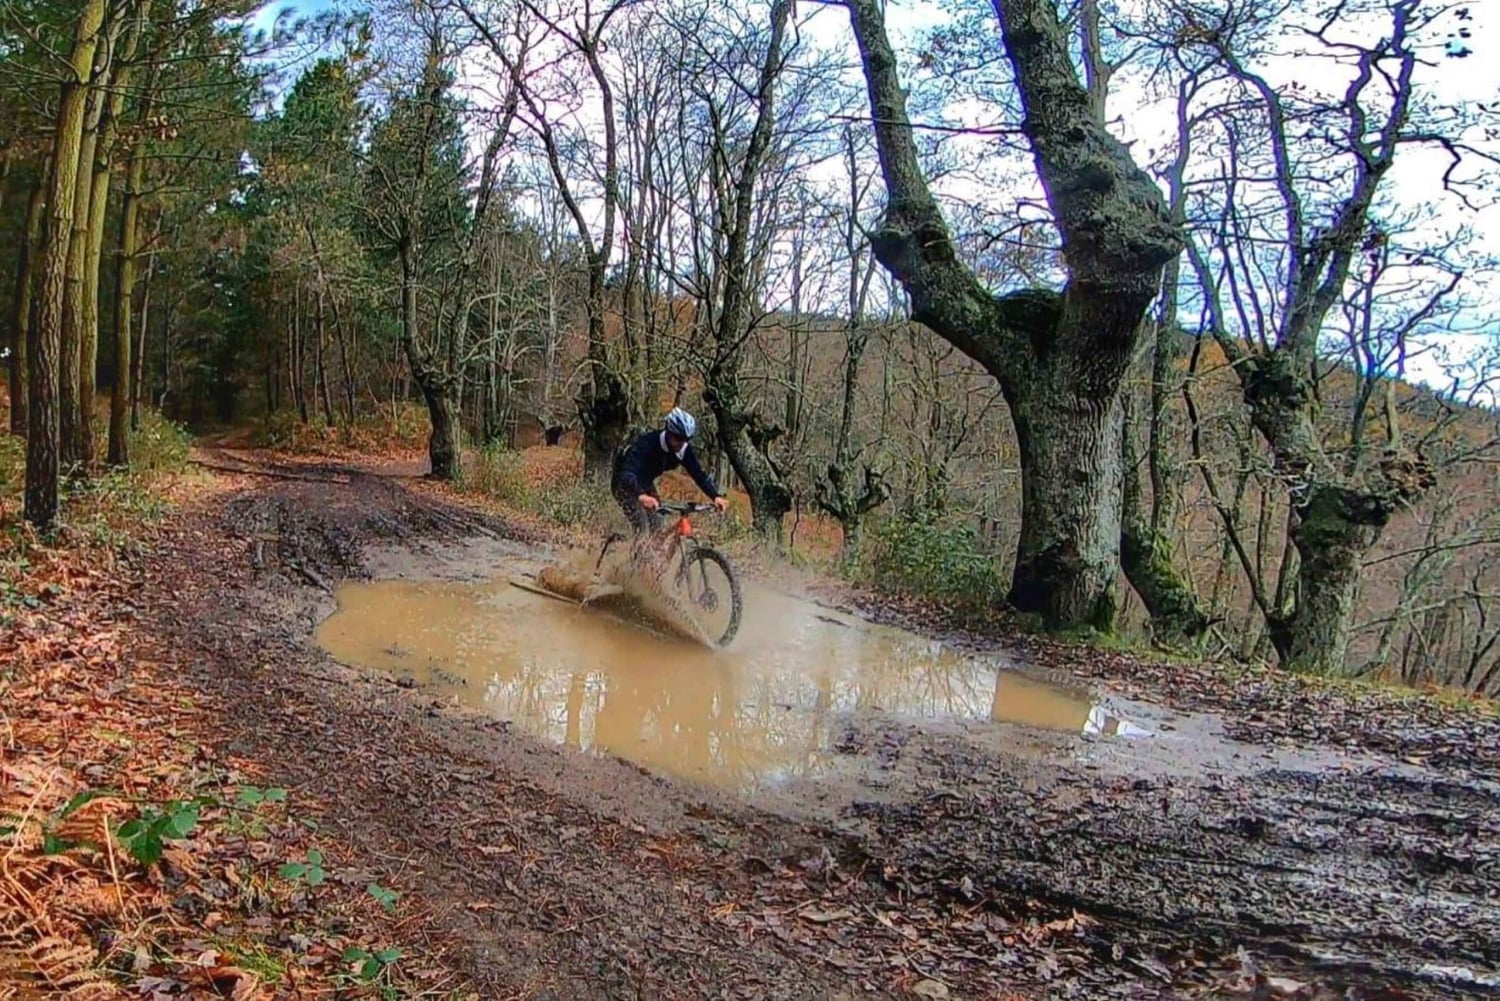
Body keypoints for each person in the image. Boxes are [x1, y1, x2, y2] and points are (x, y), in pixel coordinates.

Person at [612, 408, 729, 544]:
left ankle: (653, 561)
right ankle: (637, 563)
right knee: (642, 526)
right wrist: (641, 495)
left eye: (686, 439)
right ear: (668, 432)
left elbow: (699, 474)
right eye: (679, 438)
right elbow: (627, 474)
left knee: (657, 524)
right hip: (624, 484)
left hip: (645, 483)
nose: (682, 444)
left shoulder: (683, 450)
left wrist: (715, 496)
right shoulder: (646, 444)